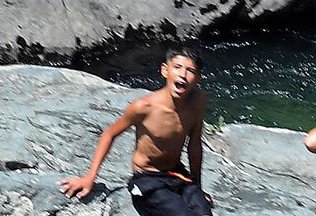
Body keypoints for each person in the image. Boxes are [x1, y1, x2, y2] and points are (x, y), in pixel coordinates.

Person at [58, 47, 213, 216]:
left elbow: (195, 143)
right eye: (177, 67)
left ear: (198, 78)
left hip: (177, 173)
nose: (182, 75)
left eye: (190, 71)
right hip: (148, 178)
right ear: (165, 70)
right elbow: (110, 133)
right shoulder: (144, 107)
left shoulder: (198, 101)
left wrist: (197, 187)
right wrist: (90, 177)